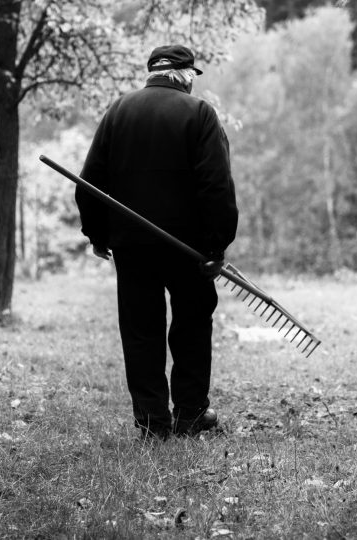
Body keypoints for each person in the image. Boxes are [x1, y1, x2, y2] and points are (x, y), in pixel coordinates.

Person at [76, 44, 238, 441]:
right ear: (186, 76)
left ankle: (152, 423)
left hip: (133, 247)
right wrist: (216, 247)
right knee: (192, 328)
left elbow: (89, 181)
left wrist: (98, 234)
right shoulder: (199, 114)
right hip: (191, 251)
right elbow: (216, 186)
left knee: (141, 331)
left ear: (153, 73)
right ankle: (189, 416)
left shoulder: (119, 110)